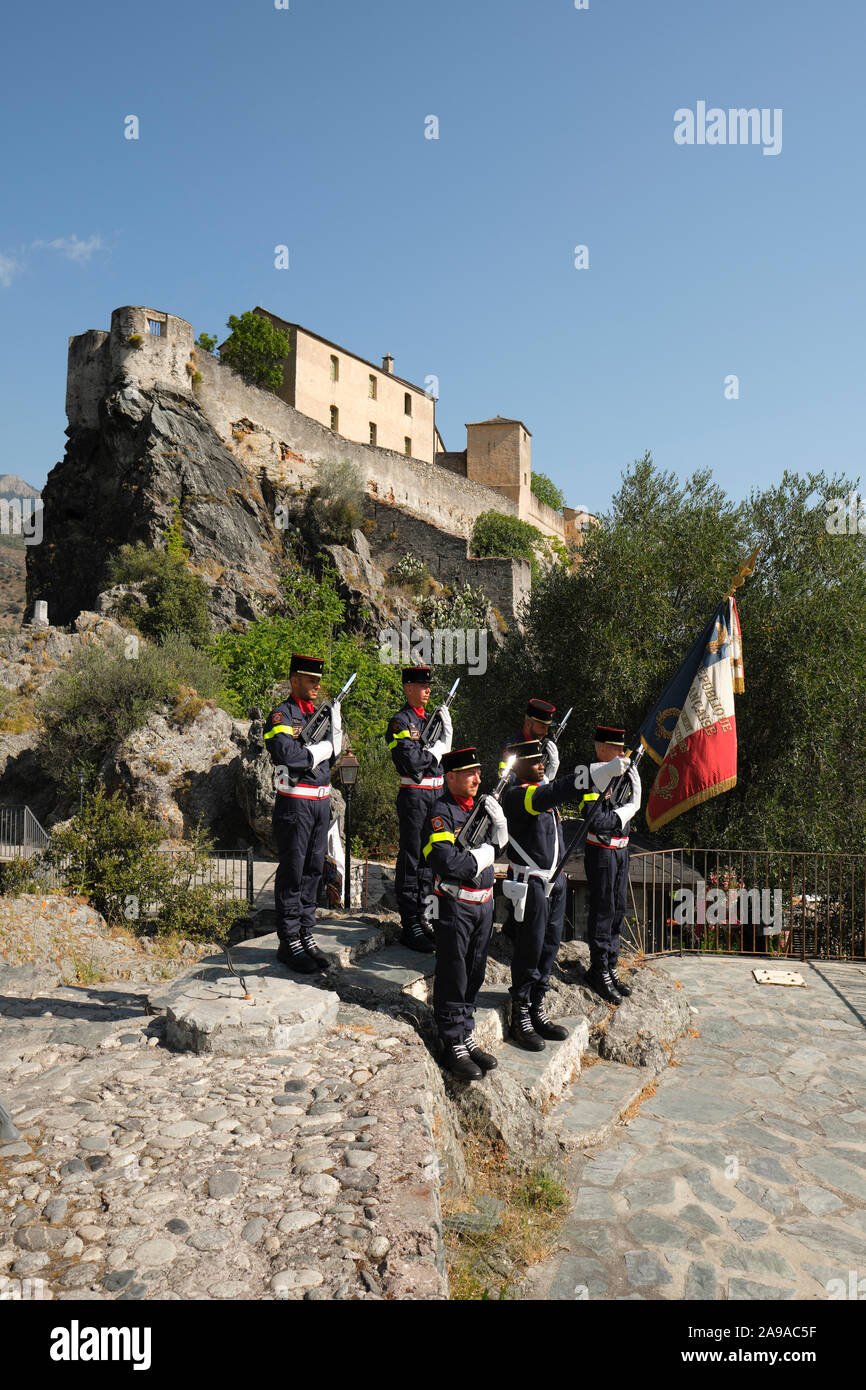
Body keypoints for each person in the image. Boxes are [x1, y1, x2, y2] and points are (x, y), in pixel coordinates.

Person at [500, 739, 624, 1049]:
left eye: (543, 760)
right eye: (535, 761)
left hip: (554, 882)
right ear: (519, 766)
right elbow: (553, 791)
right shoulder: (519, 795)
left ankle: (537, 1006)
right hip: (531, 884)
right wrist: (600, 772)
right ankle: (521, 1015)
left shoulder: (539, 790)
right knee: (529, 950)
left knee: (549, 947)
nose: (542, 764)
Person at [422, 747, 509, 1081]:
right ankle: (451, 1040)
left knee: (475, 971)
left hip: (483, 903)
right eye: (469, 773)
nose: (476, 778)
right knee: (454, 971)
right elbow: (448, 863)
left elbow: (498, 847)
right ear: (451, 777)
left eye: (478, 772)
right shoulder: (440, 812)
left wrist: (499, 827)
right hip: (455, 903)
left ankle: (465, 1033)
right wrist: (488, 850)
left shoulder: (480, 809)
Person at [263, 653, 343, 974]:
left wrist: (333, 738)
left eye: (318, 681)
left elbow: (329, 763)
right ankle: (289, 939)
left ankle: (306, 933)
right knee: (293, 871)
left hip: (321, 804)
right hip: (295, 804)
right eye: (310, 680)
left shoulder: (320, 716)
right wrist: (322, 749)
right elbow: (287, 755)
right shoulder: (281, 715)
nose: (316, 686)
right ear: (294, 679)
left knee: (313, 869)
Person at [387, 665, 452, 953]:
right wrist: (433, 753)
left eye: (429, 686)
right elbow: (410, 763)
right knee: (412, 858)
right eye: (422, 685)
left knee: (431, 860)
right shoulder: (400, 722)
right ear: (408, 687)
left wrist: (438, 748)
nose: (428, 690)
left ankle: (426, 915)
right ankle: (410, 920)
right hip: (415, 797)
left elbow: (439, 764)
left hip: (437, 794)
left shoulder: (433, 720)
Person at [582, 725, 642, 1003]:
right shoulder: (591, 776)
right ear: (601, 748)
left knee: (618, 909)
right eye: (616, 749)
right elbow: (596, 821)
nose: (622, 754)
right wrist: (627, 811)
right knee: (603, 909)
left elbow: (613, 818)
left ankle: (611, 965)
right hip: (602, 851)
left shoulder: (622, 776)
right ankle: (598, 968)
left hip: (620, 851)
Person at [499, 697, 560, 780]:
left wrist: (551, 769)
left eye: (547, 728)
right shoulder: (512, 747)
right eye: (542, 727)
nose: (546, 732)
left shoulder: (539, 745)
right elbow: (507, 779)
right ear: (528, 724)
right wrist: (537, 782)